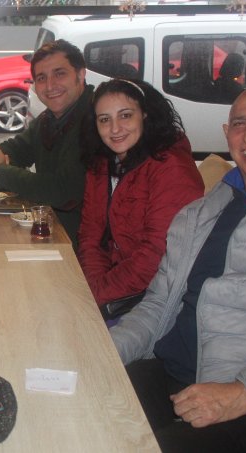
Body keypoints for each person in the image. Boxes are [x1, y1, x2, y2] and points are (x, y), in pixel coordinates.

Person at [111, 83, 246, 452]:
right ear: (227, 133)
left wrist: (244, 393)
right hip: (175, 375)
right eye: (239, 124)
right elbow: (158, 305)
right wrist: (105, 350)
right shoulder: (200, 213)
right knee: (80, 405)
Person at [78, 79, 203, 314]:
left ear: (145, 114)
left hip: (157, 296)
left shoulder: (171, 168)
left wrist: (97, 295)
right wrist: (93, 287)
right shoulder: (102, 162)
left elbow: (155, 256)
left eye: (125, 116)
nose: (115, 129)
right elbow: (91, 235)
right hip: (114, 286)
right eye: (104, 119)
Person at [0, 39, 92, 247]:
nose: (50, 86)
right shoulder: (50, 119)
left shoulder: (96, 119)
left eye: (60, 74)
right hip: (53, 231)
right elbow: (14, 149)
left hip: (85, 246)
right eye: (41, 78)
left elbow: (63, 192)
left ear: (81, 74)